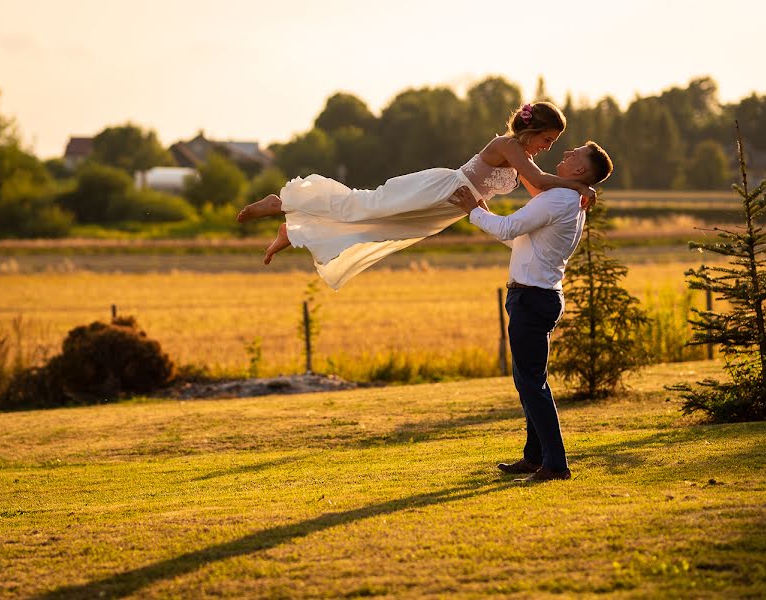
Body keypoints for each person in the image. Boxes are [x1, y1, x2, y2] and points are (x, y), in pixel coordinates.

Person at [236, 102, 596, 289]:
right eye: (548, 140)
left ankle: (294, 231)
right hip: (440, 189)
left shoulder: (526, 159)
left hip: (447, 210)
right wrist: (580, 185)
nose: (548, 148)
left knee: (380, 229)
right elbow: (540, 181)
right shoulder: (508, 146)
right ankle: (281, 202)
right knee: (364, 205)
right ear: (532, 131)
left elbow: (538, 192)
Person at [449, 141, 614, 482]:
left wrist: (473, 211)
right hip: (537, 297)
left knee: (532, 385)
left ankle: (555, 465)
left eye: (575, 154)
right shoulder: (569, 199)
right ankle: (534, 456)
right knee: (527, 383)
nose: (567, 153)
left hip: (532, 299)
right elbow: (517, 239)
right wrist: (482, 210)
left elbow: (509, 229)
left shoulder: (559, 198)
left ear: (581, 170)